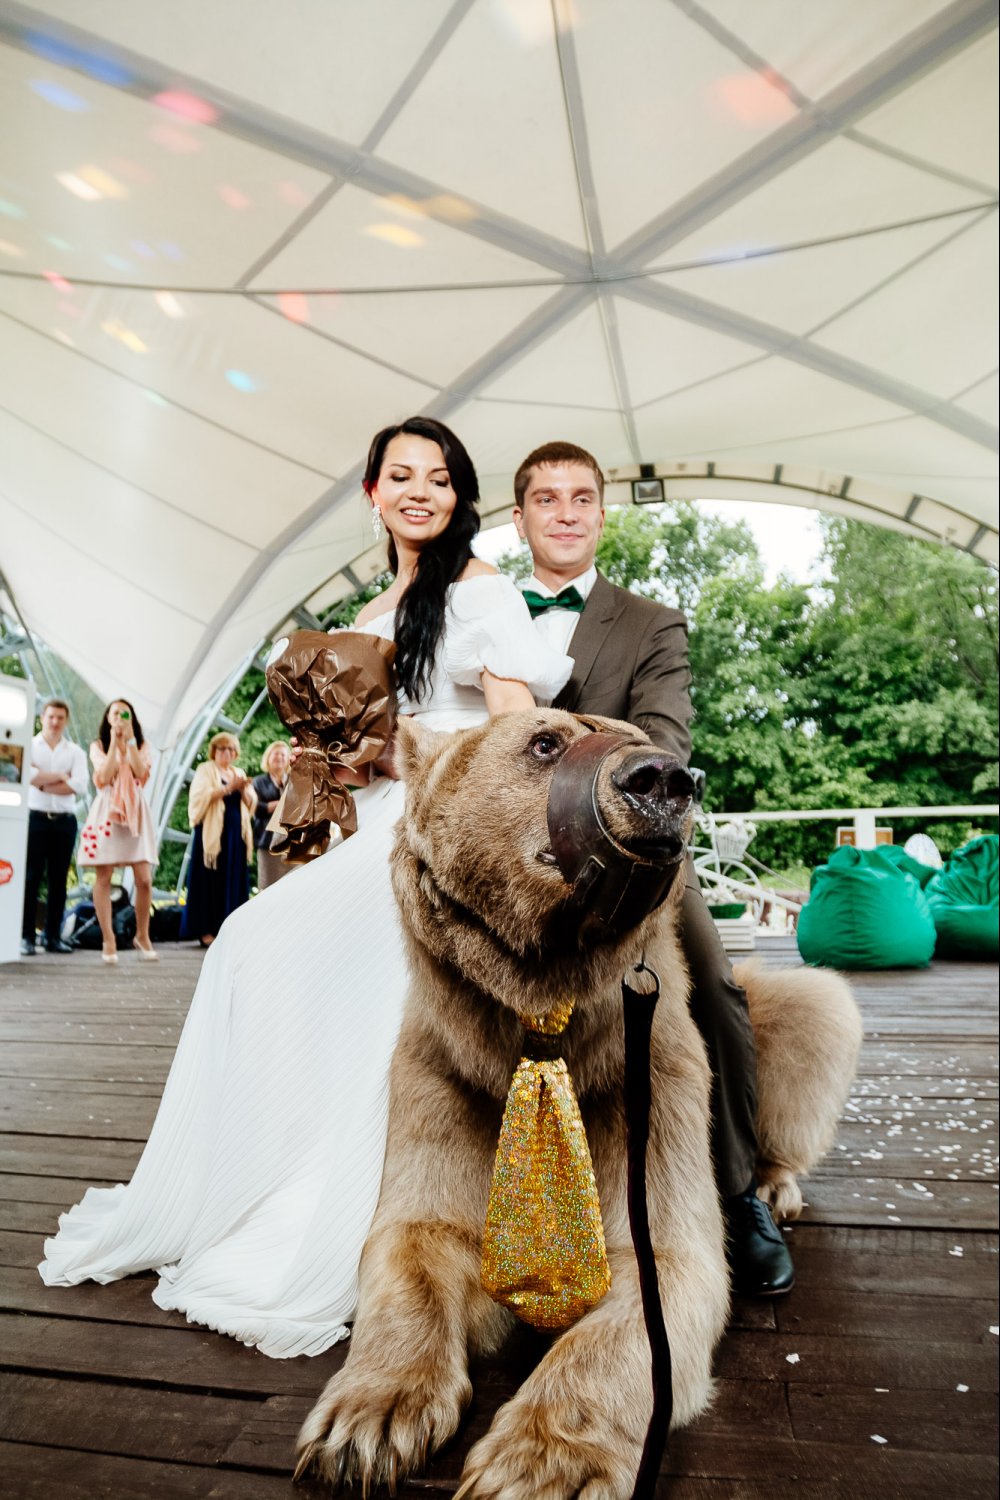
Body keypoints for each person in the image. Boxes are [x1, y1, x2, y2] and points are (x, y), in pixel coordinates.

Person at [39, 417, 571, 1357]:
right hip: (367, 819)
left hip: (430, 827)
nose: (420, 492)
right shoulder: (373, 608)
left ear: (460, 497)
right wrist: (318, 757)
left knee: (260, 945)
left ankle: (340, 1207)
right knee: (256, 953)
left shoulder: (481, 592)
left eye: (439, 479)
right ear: (372, 491)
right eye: (400, 475)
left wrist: (460, 809)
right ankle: (271, 1172)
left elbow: (513, 734)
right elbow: (358, 741)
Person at [513, 440, 794, 1297]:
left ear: (601, 512)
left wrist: (568, 768)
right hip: (507, 858)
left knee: (708, 977)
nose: (566, 512)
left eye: (582, 497)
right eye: (547, 498)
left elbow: (665, 741)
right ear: (520, 514)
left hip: (627, 848)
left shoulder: (649, 622)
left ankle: (738, 1190)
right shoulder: (480, 611)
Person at [78, 699, 160, 963]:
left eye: (124, 713)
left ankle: (142, 934)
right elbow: (103, 776)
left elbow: (140, 773)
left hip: (135, 809)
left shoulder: (143, 745)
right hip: (107, 809)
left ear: (132, 717)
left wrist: (131, 742)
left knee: (144, 878)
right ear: (108, 717)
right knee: (103, 875)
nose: (120, 717)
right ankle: (108, 938)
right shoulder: (98, 745)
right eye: (115, 712)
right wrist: (115, 741)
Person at [21, 698, 88, 957]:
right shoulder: (30, 746)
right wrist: (62, 777)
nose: (55, 722)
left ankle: (52, 937)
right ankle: (26, 936)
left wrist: (41, 782)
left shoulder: (75, 752)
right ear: (42, 718)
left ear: (65, 720)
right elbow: (25, 776)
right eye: (51, 716)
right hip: (35, 819)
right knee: (31, 878)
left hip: (63, 822)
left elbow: (80, 786)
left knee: (59, 881)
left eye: (60, 717)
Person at [179, 733, 256, 947]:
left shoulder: (238, 772)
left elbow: (250, 804)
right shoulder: (206, 769)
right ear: (215, 750)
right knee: (209, 882)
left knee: (233, 880)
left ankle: (230, 929)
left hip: (235, 838)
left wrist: (241, 789)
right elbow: (199, 797)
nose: (227, 753)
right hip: (212, 836)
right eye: (223, 749)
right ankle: (205, 931)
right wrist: (228, 788)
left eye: (231, 749)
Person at [251, 741, 293, 890]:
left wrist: (272, 805)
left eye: (283, 754)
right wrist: (284, 802)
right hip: (267, 843)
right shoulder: (258, 782)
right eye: (276, 753)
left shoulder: (294, 779)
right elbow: (256, 808)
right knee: (268, 888)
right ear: (268, 757)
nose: (280, 757)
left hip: (292, 845)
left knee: (294, 887)